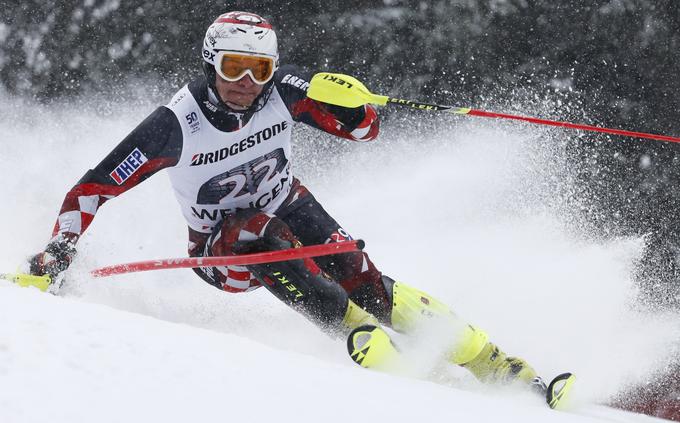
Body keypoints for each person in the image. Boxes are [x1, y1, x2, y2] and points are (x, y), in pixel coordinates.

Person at [28, 11, 546, 392]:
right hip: (219, 250)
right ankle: (360, 337)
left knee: (361, 276)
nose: (245, 84)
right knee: (260, 231)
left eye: (258, 70)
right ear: (211, 65)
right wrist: (58, 251)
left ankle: (492, 361)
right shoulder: (174, 126)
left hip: (289, 202)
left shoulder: (285, 89)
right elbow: (92, 189)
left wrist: (352, 103)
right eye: (233, 67)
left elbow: (365, 132)